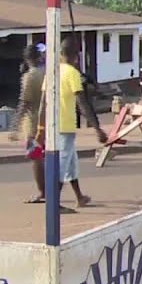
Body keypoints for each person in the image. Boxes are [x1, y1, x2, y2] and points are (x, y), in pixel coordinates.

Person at [37, 36, 108, 208]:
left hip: (52, 125)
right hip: (65, 126)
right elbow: (82, 103)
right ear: (76, 56)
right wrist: (97, 128)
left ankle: (79, 197)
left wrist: (41, 127)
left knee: (71, 163)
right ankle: (54, 203)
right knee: (62, 164)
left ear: (60, 54)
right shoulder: (73, 74)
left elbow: (43, 101)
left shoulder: (52, 72)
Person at [14, 43, 50, 205]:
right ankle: (48, 189)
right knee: (46, 157)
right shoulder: (46, 73)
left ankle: (43, 192)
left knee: (36, 158)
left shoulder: (29, 77)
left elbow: (25, 102)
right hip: (47, 120)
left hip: (32, 123)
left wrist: (15, 125)